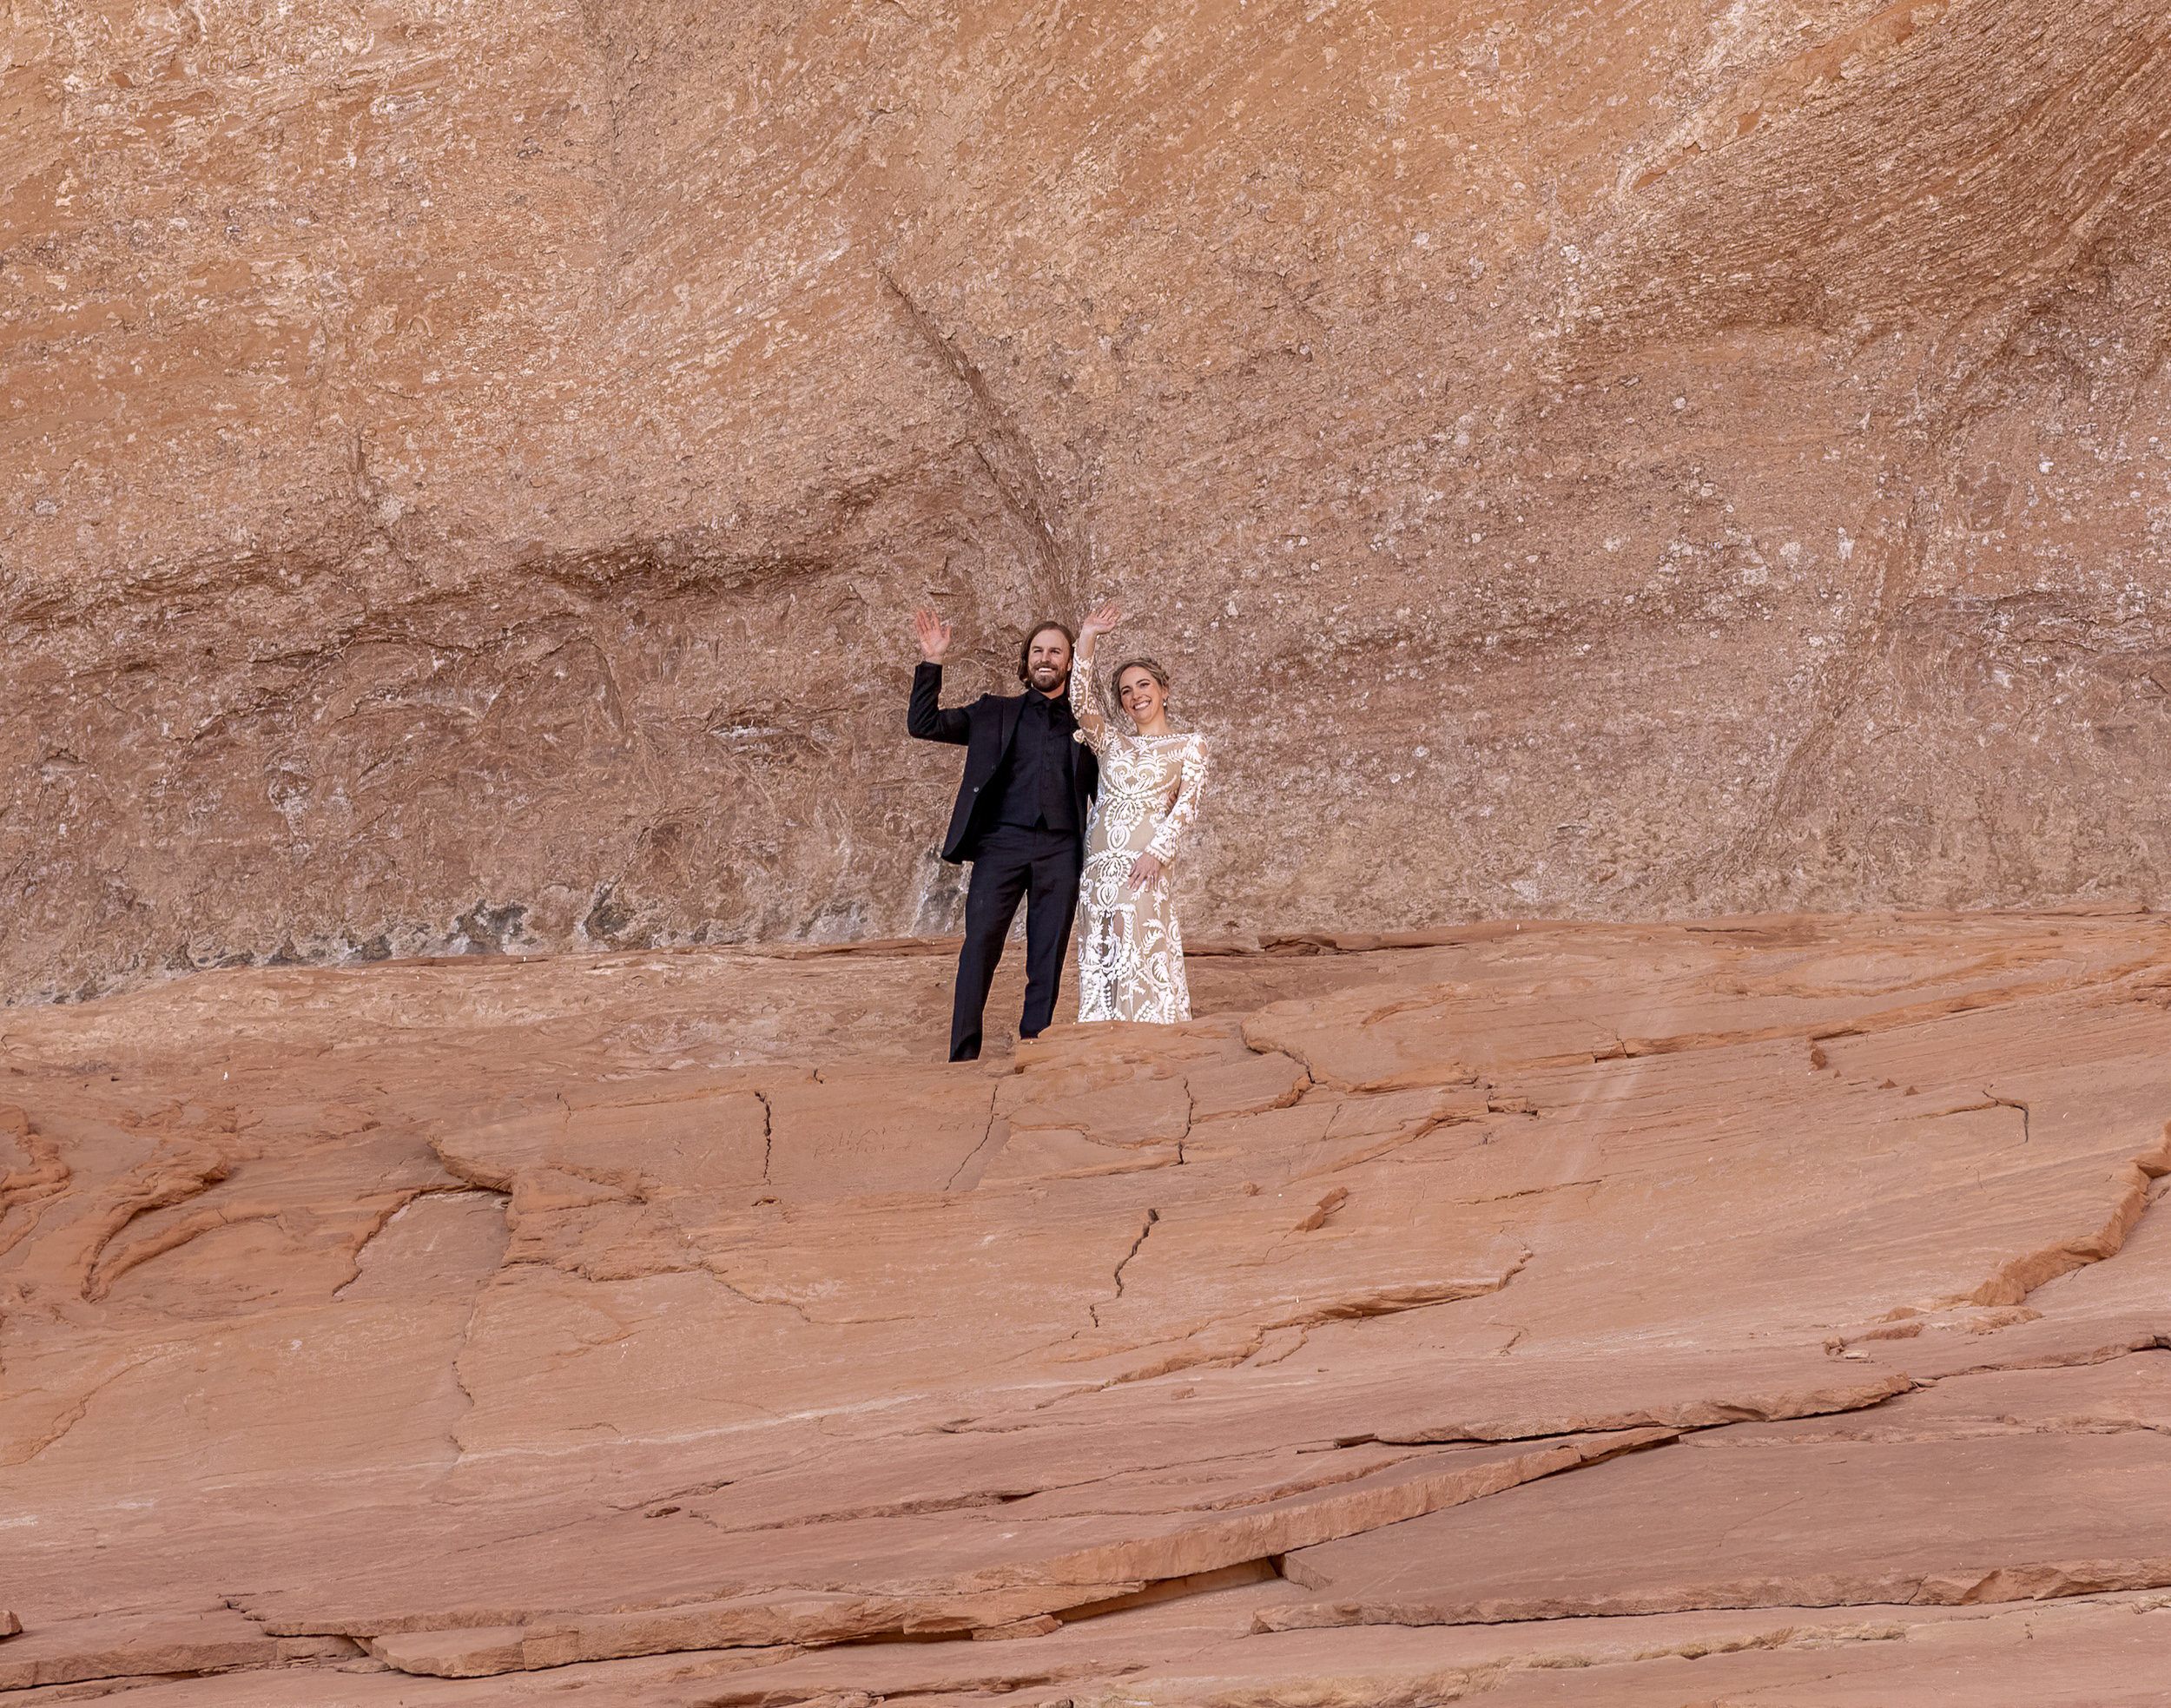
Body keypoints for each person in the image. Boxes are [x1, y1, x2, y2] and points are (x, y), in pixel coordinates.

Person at [907, 609, 1099, 1061]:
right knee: (980, 945)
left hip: (1062, 847)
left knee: (1047, 952)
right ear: (1027, 660)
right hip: (1001, 845)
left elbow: (1113, 786)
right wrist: (933, 661)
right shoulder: (993, 711)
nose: (1045, 657)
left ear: (1070, 662)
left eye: (1056, 651)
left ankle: (1034, 1047)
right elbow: (923, 724)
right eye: (1037, 651)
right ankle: (963, 1053)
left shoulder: (1088, 725)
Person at [1068, 600, 1209, 1024]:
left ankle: (1152, 1037)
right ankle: (1101, 1036)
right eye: (1126, 691)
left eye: (1144, 685)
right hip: (1098, 867)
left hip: (1145, 862)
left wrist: (1158, 852)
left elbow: (1187, 807)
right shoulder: (1111, 742)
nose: (1136, 696)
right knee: (1101, 950)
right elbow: (1079, 702)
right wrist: (1088, 638)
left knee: (1142, 947)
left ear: (1163, 690)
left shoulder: (1190, 744)